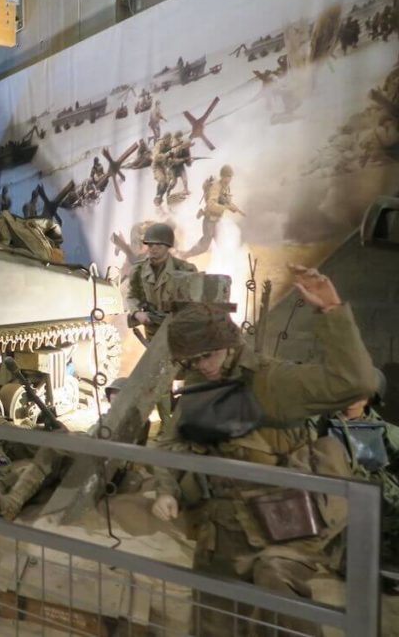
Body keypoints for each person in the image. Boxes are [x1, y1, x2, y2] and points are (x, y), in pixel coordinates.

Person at [151, 264, 379, 636]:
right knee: (214, 623)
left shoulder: (272, 382)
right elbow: (171, 442)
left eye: (206, 356)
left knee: (280, 609)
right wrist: (165, 488)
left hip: (279, 528)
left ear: (227, 344)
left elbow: (357, 380)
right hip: (219, 533)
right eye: (189, 362)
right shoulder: (198, 386)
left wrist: (331, 311)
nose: (200, 367)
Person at [313, 369, 399, 575]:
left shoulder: (387, 431)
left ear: (372, 396)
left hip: (379, 503)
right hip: (332, 504)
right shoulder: (317, 424)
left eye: (359, 392)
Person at [125, 223, 197, 341]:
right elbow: (132, 296)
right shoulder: (138, 270)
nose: (153, 248)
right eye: (150, 244)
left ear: (168, 246)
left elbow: (194, 301)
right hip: (152, 326)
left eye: (158, 244)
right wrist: (137, 313)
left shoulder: (185, 269)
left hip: (178, 327)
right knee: (155, 357)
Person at [181, 164, 244, 258]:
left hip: (216, 221)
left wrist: (234, 208)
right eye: (227, 176)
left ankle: (226, 266)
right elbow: (211, 205)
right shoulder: (216, 187)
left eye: (230, 176)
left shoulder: (225, 187)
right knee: (204, 246)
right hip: (209, 220)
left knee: (222, 245)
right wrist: (226, 207)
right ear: (222, 176)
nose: (228, 179)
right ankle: (184, 256)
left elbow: (227, 201)